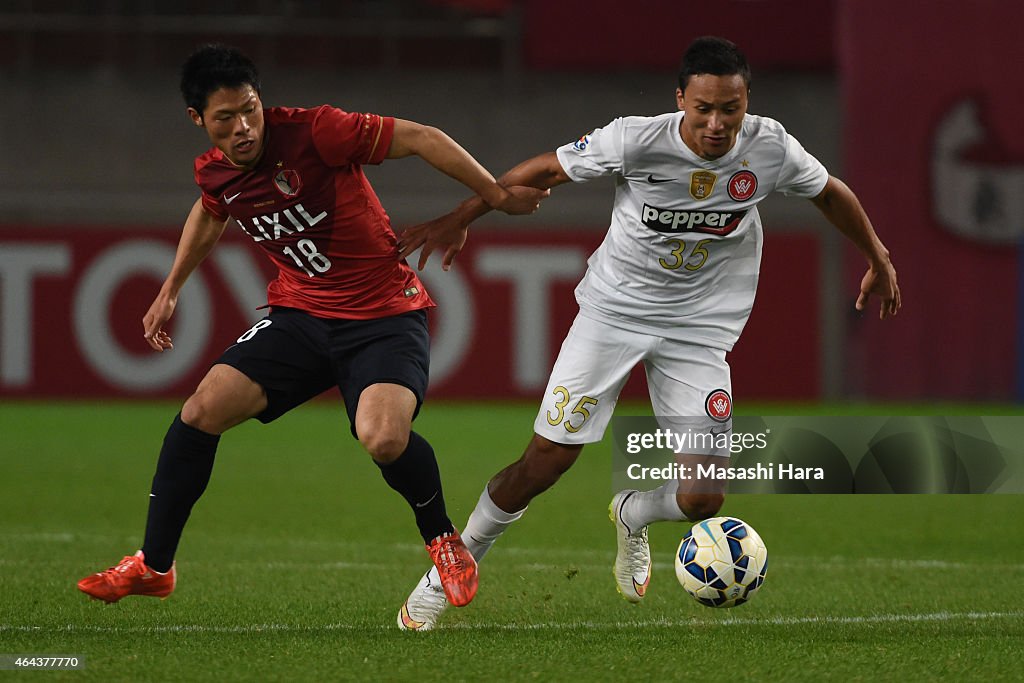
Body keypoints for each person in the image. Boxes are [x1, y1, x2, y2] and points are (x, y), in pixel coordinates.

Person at [393, 36, 901, 630]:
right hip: (614, 312)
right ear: (680, 99)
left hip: (699, 328)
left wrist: (877, 255)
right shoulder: (636, 139)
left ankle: (633, 512)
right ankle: (447, 572)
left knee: (703, 499)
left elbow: (829, 193)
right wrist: (463, 217)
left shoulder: (772, 148)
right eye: (703, 108)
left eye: (730, 109)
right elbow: (544, 169)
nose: (716, 124)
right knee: (547, 461)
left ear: (746, 102)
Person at [76, 44, 547, 608]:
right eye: (225, 119)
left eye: (250, 109)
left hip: (383, 318)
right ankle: (155, 565)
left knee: (383, 438)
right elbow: (211, 207)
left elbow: (422, 136)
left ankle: (445, 541)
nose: (244, 127)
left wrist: (492, 196)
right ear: (198, 120)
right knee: (200, 411)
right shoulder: (217, 171)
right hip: (300, 318)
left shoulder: (318, 131)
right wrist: (171, 286)